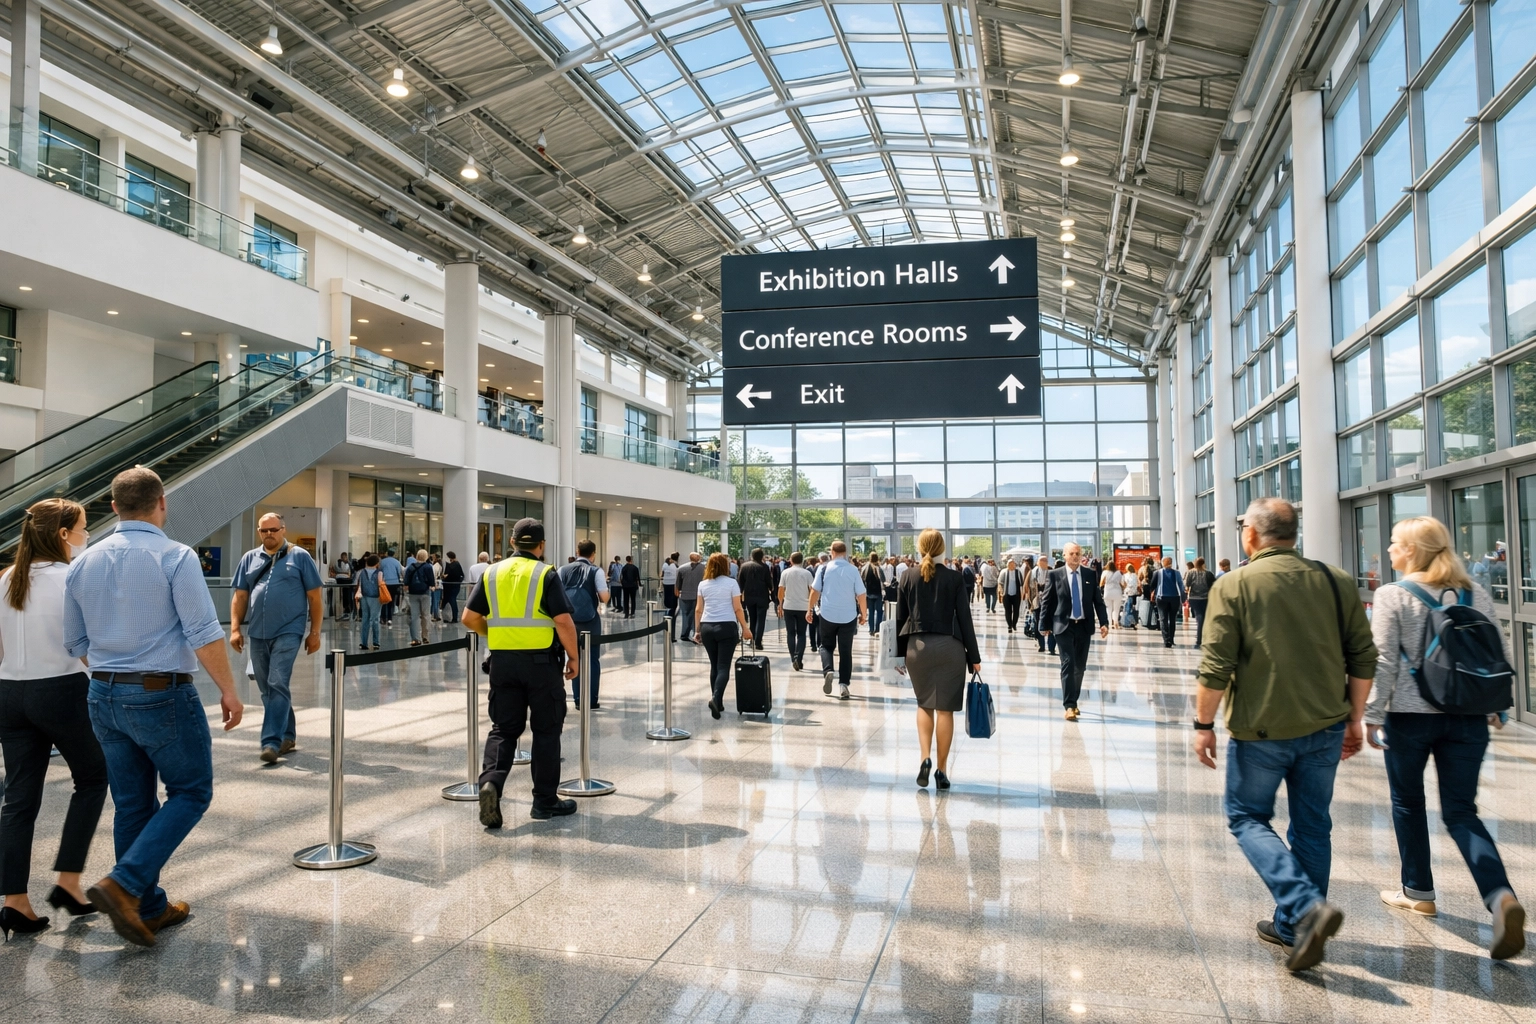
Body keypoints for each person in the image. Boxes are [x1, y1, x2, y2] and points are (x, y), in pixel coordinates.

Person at [1192, 498, 1377, 972]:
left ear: (1251, 536)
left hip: (1262, 732)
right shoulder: (1335, 581)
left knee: (1247, 817)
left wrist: (1203, 725)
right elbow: (1363, 654)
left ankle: (1303, 906)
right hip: (1325, 727)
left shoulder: (1235, 585)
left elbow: (1216, 666)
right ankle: (1295, 926)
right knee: (1313, 824)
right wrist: (1354, 718)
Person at [63, 467, 243, 947]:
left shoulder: (83, 561)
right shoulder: (175, 556)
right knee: (191, 792)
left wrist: (112, 673)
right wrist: (228, 689)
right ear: (162, 502)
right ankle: (124, 885)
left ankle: (148, 907)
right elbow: (204, 632)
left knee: (132, 803)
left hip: (102, 693)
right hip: (161, 693)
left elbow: (75, 640)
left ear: (114, 506)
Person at [1363, 516, 1525, 959]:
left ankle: (1418, 890)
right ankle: (1500, 897)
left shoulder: (1394, 594)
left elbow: (1383, 662)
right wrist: (1497, 707)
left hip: (1410, 718)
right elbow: (1498, 654)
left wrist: (1372, 715)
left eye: (1395, 543)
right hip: (1469, 718)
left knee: (1408, 803)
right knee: (1461, 813)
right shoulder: (1475, 592)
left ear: (1413, 551)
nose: (1390, 550)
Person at [0, 499, 108, 940]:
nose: (87, 534)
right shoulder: (73, 577)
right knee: (93, 778)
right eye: (83, 527)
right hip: (61, 690)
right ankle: (67, 881)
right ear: (64, 534)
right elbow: (87, 645)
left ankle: (13, 901)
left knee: (18, 798)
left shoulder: (7, 578)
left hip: (8, 692)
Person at [461, 518, 580, 826]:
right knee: (545, 731)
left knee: (503, 729)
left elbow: (469, 618)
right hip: (541, 665)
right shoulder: (545, 574)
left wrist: (496, 634)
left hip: (502, 663)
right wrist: (574, 657)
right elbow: (564, 621)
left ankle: (491, 783)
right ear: (541, 546)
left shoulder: (491, 572)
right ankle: (544, 802)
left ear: (511, 543)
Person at [229, 512, 322, 763]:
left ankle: (271, 741)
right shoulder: (249, 558)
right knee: (268, 688)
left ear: (283, 529)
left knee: (277, 680)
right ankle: (288, 735)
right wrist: (235, 629)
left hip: (289, 630)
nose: (269, 534)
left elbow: (314, 597)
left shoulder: (300, 556)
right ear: (259, 532)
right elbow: (240, 596)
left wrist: (314, 633)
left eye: (273, 530)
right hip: (258, 632)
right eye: (263, 531)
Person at [897, 529, 981, 791]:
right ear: (942, 548)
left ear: (920, 547)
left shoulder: (906, 576)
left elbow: (900, 619)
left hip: (917, 648)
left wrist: (899, 655)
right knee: (945, 709)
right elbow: (965, 619)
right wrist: (974, 657)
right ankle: (942, 771)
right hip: (950, 647)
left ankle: (925, 758)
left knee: (924, 705)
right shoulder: (955, 578)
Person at [1039, 542, 1109, 721]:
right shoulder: (1055, 575)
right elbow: (1047, 601)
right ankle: (1069, 705)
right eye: (1072, 553)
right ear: (1064, 555)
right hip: (1063, 626)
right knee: (1068, 664)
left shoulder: (1089, 574)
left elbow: (1097, 601)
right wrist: (1043, 625)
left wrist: (1104, 622)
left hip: (1084, 626)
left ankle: (1074, 700)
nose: (1076, 556)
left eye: (1078, 553)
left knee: (1080, 667)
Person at [807, 541, 867, 701]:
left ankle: (828, 671)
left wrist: (809, 609)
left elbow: (815, 591)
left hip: (828, 615)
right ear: (845, 552)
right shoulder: (853, 570)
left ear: (831, 552)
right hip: (848, 616)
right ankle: (844, 685)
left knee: (826, 646)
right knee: (845, 651)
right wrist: (864, 614)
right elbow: (861, 594)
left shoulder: (823, 568)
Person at [694, 552, 751, 719]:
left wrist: (697, 630)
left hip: (707, 627)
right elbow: (738, 608)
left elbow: (698, 609)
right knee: (723, 666)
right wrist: (745, 628)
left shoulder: (703, 584)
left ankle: (717, 702)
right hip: (727, 627)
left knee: (714, 665)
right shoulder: (732, 583)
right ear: (726, 566)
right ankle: (716, 698)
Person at [557, 540, 609, 708]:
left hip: (567, 621)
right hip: (590, 621)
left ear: (577, 551)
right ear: (593, 554)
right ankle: (592, 700)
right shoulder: (596, 571)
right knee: (593, 659)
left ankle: (578, 699)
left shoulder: (563, 570)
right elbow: (604, 598)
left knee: (573, 657)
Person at [778, 551, 815, 671]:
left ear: (791, 560)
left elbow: (781, 590)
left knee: (790, 633)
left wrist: (780, 604)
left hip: (789, 605)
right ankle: (798, 658)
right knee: (801, 634)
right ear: (802, 560)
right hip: (803, 607)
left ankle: (792, 658)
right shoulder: (807, 573)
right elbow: (811, 590)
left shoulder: (785, 572)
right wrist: (811, 606)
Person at [738, 548, 772, 651]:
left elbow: (740, 582)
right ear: (762, 556)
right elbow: (769, 582)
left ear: (751, 556)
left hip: (749, 596)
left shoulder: (744, 566)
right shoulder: (765, 567)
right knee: (761, 620)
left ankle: (752, 639)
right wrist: (771, 590)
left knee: (752, 619)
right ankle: (758, 641)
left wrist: (741, 594)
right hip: (762, 596)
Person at [400, 549, 434, 646]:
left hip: (413, 593)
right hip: (425, 593)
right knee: (426, 615)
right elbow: (431, 581)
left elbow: (406, 581)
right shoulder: (428, 567)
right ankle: (425, 636)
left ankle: (415, 638)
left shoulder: (411, 567)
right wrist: (432, 586)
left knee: (414, 616)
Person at [1152, 556, 1186, 648]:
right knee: (1172, 620)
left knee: (1163, 619)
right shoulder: (1177, 573)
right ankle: (1171, 639)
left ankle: (1166, 640)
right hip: (1174, 598)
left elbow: (1153, 585)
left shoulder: (1158, 573)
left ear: (1163, 563)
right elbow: (1181, 586)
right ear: (1171, 563)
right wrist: (1183, 599)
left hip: (1161, 598)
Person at [1184, 557, 1216, 646]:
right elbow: (1214, 584)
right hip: (1206, 598)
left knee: (1199, 616)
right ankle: (1203, 635)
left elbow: (1187, 585)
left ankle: (1199, 638)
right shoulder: (1208, 573)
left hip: (1194, 598)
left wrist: (1187, 591)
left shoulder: (1190, 572)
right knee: (1204, 616)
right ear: (1203, 564)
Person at [355, 554, 384, 650]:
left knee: (365, 620)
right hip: (376, 598)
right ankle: (376, 642)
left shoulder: (361, 572)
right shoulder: (379, 573)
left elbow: (359, 585)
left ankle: (364, 643)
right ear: (377, 563)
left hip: (364, 597)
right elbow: (381, 584)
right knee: (375, 620)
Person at [676, 552, 705, 643]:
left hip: (685, 595)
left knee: (685, 615)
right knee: (698, 614)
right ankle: (696, 633)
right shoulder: (704, 568)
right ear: (699, 558)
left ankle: (684, 634)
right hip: (699, 595)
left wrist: (678, 593)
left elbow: (677, 585)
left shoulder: (681, 568)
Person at [862, 552, 887, 636]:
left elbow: (862, 580)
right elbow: (883, 580)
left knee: (871, 612)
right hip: (878, 593)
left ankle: (871, 629)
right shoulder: (879, 568)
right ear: (877, 559)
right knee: (879, 611)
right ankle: (878, 629)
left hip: (868, 593)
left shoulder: (865, 568)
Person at [378, 549, 403, 625]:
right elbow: (399, 572)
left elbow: (380, 571)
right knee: (391, 601)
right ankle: (390, 618)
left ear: (387, 553)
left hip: (385, 584)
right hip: (394, 583)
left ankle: (383, 618)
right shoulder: (397, 562)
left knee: (384, 600)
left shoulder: (382, 561)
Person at [1000, 558, 1025, 633]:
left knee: (1016, 610)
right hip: (1006, 595)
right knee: (1008, 611)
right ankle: (1009, 625)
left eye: (1012, 564)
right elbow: (1000, 582)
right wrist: (1001, 592)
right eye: (1009, 564)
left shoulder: (1018, 572)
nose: (1011, 565)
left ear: (1015, 565)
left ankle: (1014, 624)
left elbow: (1022, 584)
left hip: (1016, 595)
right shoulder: (1004, 572)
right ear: (1007, 565)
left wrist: (1023, 593)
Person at [441, 551, 465, 624]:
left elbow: (451, 575)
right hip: (453, 586)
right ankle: (446, 616)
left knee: (451, 600)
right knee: (448, 600)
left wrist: (446, 576)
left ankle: (454, 617)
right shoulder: (456, 564)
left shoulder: (454, 565)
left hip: (451, 586)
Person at [331, 551, 354, 621]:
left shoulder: (336, 563)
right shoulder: (347, 563)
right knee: (347, 594)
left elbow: (334, 569)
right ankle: (348, 609)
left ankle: (344, 609)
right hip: (346, 580)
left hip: (338, 579)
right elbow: (351, 570)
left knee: (343, 594)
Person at [1101, 560, 1123, 630]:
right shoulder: (1119, 573)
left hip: (1108, 592)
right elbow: (1122, 583)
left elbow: (1101, 583)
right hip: (1117, 592)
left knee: (1108, 608)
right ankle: (1116, 622)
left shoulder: (1105, 572)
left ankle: (1110, 624)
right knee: (1116, 609)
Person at [661, 554, 679, 639]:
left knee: (667, 601)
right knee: (673, 604)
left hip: (666, 584)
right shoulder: (676, 566)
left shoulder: (665, 565)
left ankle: (668, 612)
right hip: (673, 585)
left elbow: (662, 574)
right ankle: (671, 613)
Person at [429, 553, 443, 622]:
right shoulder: (439, 565)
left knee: (435, 600)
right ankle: (434, 614)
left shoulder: (435, 566)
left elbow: (433, 576)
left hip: (436, 584)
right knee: (436, 600)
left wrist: (433, 585)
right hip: (439, 584)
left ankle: (435, 615)